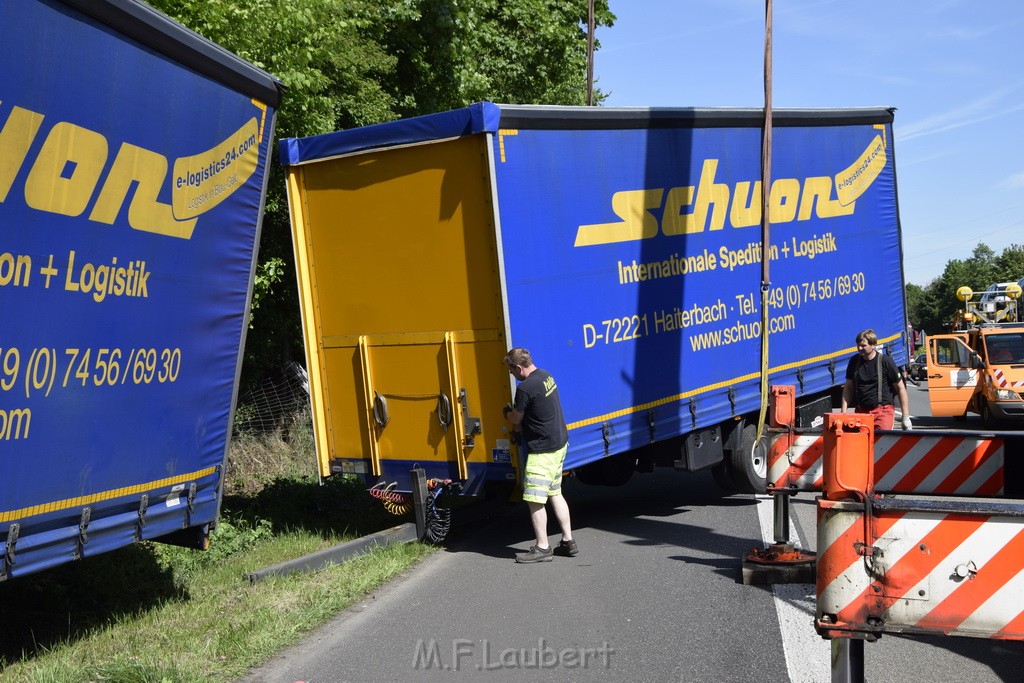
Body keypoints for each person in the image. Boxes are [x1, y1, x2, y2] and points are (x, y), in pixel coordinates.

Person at [502, 347, 577, 563]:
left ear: (518, 367)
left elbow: (516, 419)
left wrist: (507, 413)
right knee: (555, 493)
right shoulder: (546, 375)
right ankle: (567, 541)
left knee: (535, 500)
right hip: (559, 444)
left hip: (542, 451)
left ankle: (543, 548)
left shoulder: (525, 388)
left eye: (511, 371)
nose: (512, 375)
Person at [840, 329, 912, 431]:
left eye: (863, 346)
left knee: (882, 444)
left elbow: (900, 388)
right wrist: (843, 413)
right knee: (862, 445)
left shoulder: (885, 361)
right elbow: (848, 388)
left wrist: (905, 417)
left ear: (873, 345)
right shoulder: (854, 361)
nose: (859, 348)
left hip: (882, 412)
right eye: (858, 345)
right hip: (861, 412)